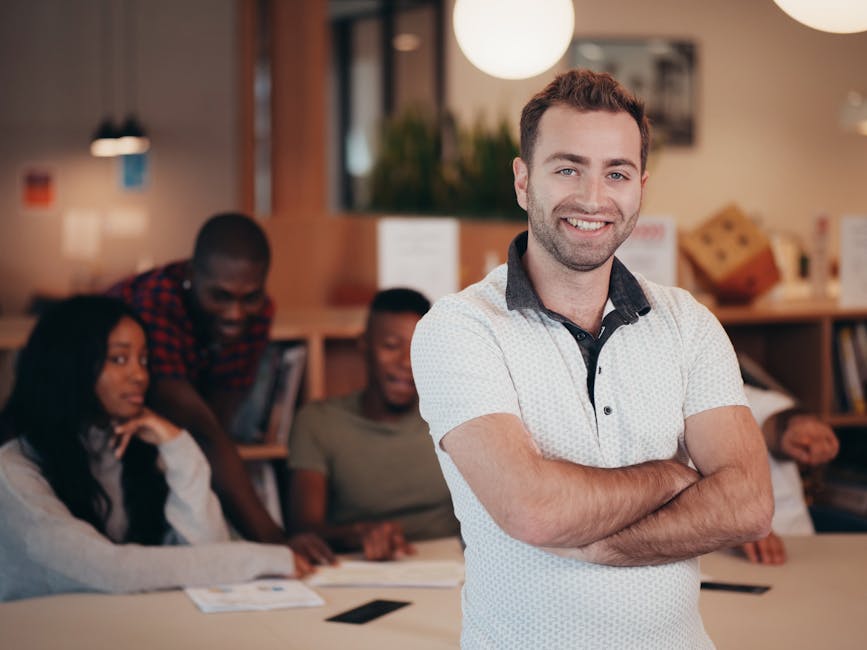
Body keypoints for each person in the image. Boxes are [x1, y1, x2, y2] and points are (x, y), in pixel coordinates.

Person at [411, 69, 773, 648]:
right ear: (524, 181)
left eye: (617, 173)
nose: (593, 198)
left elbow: (749, 504)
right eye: (567, 168)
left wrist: (599, 544)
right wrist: (674, 476)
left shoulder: (688, 323)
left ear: (640, 187)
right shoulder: (460, 328)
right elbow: (534, 511)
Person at [0, 296, 306, 601]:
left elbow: (206, 549)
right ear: (69, 365)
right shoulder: (13, 471)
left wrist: (178, 446)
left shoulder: (133, 450)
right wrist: (266, 559)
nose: (139, 376)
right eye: (119, 359)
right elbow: (110, 569)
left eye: (144, 360)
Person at [108, 213, 333, 564]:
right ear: (190, 274)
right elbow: (200, 428)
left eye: (250, 297)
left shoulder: (260, 312)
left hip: (167, 439)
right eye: (221, 296)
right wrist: (277, 542)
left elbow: (218, 421)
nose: (235, 313)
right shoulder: (154, 301)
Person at [287, 288, 459, 560]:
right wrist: (356, 534)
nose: (406, 363)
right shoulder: (319, 422)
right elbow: (303, 528)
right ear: (363, 345)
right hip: (359, 566)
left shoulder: (453, 416)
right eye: (391, 346)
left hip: (451, 566)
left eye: (417, 348)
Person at [740, 380, 839, 564]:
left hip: (796, 551)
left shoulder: (737, 396)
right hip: (711, 563)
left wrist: (796, 428)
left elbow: (776, 420)